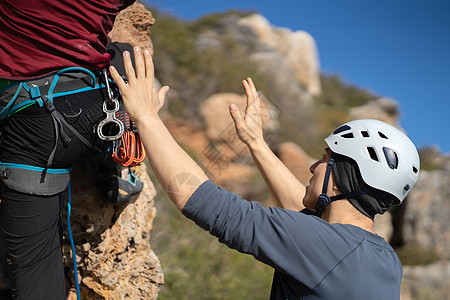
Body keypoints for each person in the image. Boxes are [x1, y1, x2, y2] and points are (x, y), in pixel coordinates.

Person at [110, 47, 420, 299]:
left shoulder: (325, 247)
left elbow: (202, 201)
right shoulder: (383, 259)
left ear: (345, 176)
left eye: (325, 158)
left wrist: (147, 117)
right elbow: (303, 213)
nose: (313, 166)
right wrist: (257, 144)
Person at [0, 1, 140, 298]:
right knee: (123, 53)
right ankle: (114, 161)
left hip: (35, 126)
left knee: (35, 265)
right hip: (93, 107)